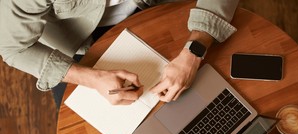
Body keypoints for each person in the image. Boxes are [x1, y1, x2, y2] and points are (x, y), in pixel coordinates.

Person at [0, 0, 240, 107]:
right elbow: (13, 48)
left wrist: (193, 51)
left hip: (155, 9)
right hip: (78, 43)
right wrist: (92, 78)